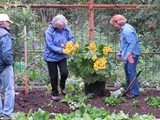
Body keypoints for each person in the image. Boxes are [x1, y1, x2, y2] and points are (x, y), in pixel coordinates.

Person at [43, 14, 74, 101]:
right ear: (55, 25)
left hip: (62, 56)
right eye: (59, 26)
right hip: (51, 57)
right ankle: (54, 93)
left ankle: (62, 85)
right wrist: (62, 50)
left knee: (64, 72)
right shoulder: (49, 31)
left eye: (62, 26)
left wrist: (70, 44)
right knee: (54, 76)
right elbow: (50, 45)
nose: (61, 27)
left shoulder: (66, 29)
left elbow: (71, 38)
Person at [109, 14, 141, 99]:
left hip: (132, 54)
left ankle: (135, 92)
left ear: (118, 22)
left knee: (131, 71)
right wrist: (121, 53)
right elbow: (125, 44)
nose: (114, 26)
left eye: (114, 24)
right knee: (127, 70)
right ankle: (127, 87)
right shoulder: (124, 29)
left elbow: (132, 43)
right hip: (129, 53)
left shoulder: (127, 30)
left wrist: (128, 54)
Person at [0, 14, 14, 119]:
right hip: (4, 67)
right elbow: (6, 55)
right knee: (9, 89)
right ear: (4, 22)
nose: (8, 24)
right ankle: (6, 114)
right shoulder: (5, 35)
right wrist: (10, 63)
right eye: (8, 22)